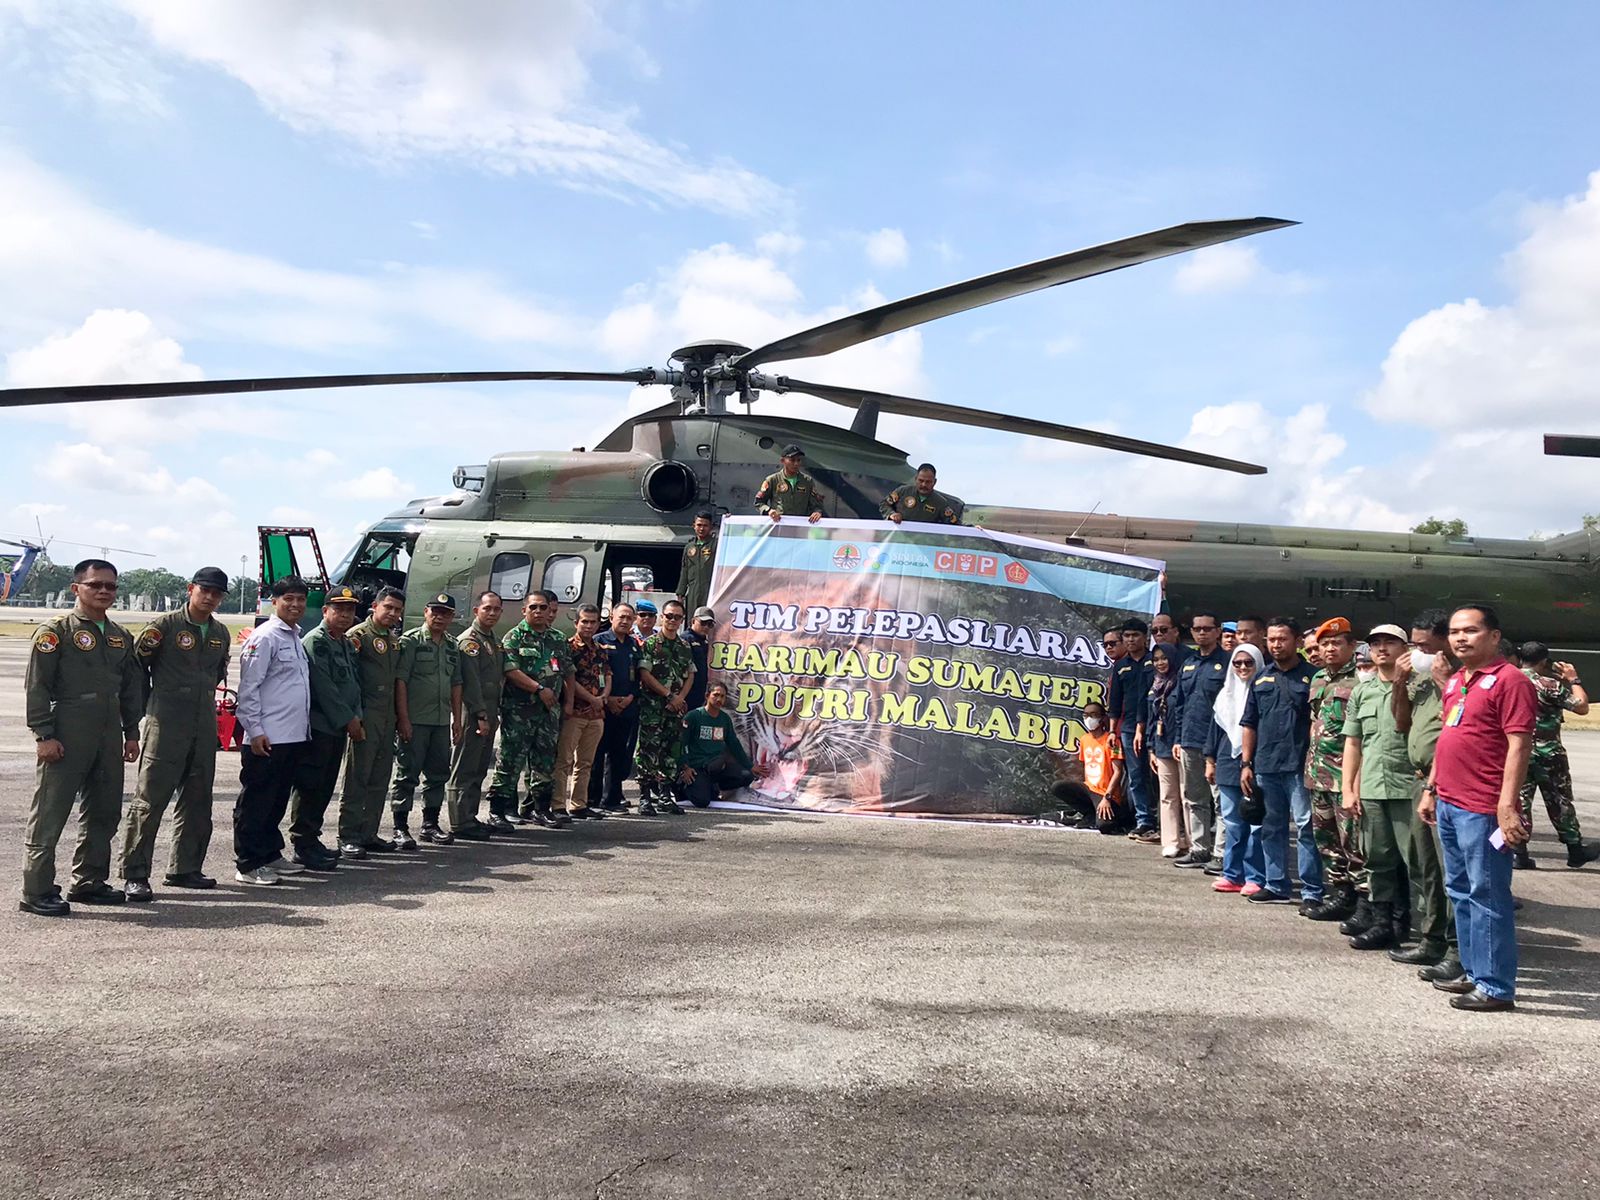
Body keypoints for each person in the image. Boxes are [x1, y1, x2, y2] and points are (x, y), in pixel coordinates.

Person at [1419, 603, 1537, 1012]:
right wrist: (1432, 788)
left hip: (1483, 808)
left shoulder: (1511, 681)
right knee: (1460, 892)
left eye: (1470, 631)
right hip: (1450, 802)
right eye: (1454, 632)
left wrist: (1507, 805)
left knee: (1487, 895)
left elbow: (1519, 745)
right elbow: (1447, 736)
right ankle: (1471, 970)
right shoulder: (1457, 680)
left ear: (1494, 636)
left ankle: (1496, 986)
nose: (1460, 638)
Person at [20, 558, 142, 915]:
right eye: (95, 585)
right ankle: (36, 889)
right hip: (67, 729)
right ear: (77, 588)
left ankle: (89, 880)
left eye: (110, 586)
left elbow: (130, 689)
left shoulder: (120, 635)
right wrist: (43, 734)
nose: (104, 591)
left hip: (107, 732)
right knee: (50, 812)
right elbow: (37, 687)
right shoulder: (56, 630)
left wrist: (131, 732)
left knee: (104, 811)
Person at [118, 565, 231, 900]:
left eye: (216, 593)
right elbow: (137, 669)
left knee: (198, 800)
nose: (210, 597)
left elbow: (217, 673)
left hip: (202, 723)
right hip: (165, 723)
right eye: (204, 590)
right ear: (190, 589)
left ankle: (184, 868)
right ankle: (135, 874)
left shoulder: (220, 632)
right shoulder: (164, 627)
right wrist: (138, 715)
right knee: (150, 800)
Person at [1340, 625, 1421, 950]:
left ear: (1406, 647)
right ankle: (1384, 922)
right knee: (1378, 858)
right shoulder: (1363, 691)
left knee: (1416, 861)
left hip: (1409, 787)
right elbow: (1354, 743)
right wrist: (1348, 788)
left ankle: (1424, 927)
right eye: (1376, 643)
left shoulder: (1421, 687)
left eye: (1390, 642)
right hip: (1373, 786)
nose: (1382, 648)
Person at [1392, 610, 1461, 977]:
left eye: (1423, 644)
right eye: (1413, 643)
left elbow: (1460, 721)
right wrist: (1399, 684)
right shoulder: (1419, 678)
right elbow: (1402, 723)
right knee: (1424, 867)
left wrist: (1446, 680)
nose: (1417, 650)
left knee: (1452, 871)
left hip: (1449, 783)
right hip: (1421, 781)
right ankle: (1431, 939)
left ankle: (1456, 948)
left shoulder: (1458, 677)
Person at [233, 576, 312, 887]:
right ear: (274, 601)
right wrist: (254, 730)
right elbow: (249, 687)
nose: (295, 605)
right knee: (256, 800)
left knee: (277, 798)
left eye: (300, 600)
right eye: (288, 599)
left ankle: (269, 854)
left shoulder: (293, 636)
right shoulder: (264, 637)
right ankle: (248, 862)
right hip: (267, 736)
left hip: (292, 735)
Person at [1239, 617, 1319, 907]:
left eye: (1282, 639)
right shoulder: (1261, 678)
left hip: (1299, 766)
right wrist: (1246, 765)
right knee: (1271, 827)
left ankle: (1312, 891)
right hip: (1266, 766)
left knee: (1306, 827)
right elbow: (1249, 724)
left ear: (1297, 641)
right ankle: (1275, 885)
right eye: (1271, 639)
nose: (1275, 644)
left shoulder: (1314, 677)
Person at [285, 586, 365, 870]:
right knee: (311, 784)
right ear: (325, 611)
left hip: (338, 727)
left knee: (325, 785)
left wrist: (355, 714)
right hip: (320, 725)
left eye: (350, 610)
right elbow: (324, 687)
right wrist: (349, 719)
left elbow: (352, 685)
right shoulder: (316, 641)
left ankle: (312, 837)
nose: (345, 615)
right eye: (339, 609)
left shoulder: (343, 642)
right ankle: (302, 843)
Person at [488, 590, 572, 828]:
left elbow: (568, 672)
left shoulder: (557, 638)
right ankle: (497, 811)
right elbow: (511, 671)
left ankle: (540, 809)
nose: (538, 611)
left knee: (545, 763)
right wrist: (538, 689)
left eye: (543, 607)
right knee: (510, 761)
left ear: (550, 611)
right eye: (533, 607)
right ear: (524, 610)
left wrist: (569, 702)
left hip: (549, 714)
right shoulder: (514, 637)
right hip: (520, 712)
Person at [1514, 641, 1600, 868]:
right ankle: (1575, 850)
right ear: (1544, 661)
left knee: (1520, 801)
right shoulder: (1548, 684)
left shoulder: (1510, 680)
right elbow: (1581, 706)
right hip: (1548, 753)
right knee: (1559, 801)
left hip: (1518, 753)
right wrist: (1573, 679)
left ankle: (1519, 853)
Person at [1303, 618, 1365, 924]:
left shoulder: (1362, 680)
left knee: (1354, 842)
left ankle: (1365, 903)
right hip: (1318, 774)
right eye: (1324, 643)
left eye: (1336, 643)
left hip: (1345, 778)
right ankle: (1341, 895)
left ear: (1352, 647)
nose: (1329, 648)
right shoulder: (1317, 679)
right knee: (1326, 841)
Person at [390, 593, 465, 847]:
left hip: (441, 721)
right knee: (406, 774)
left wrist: (457, 719)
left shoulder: (453, 645)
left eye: (445, 613)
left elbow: (456, 684)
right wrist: (403, 719)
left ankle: (430, 825)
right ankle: (400, 827)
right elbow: (401, 681)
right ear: (425, 612)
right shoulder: (410, 641)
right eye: (435, 611)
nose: (439, 616)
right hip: (416, 720)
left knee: (437, 775)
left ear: (452, 617)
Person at [338, 585, 406, 857]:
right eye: (387, 607)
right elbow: (349, 681)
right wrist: (354, 717)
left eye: (397, 610)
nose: (392, 613)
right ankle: (348, 835)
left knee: (380, 778)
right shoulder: (358, 637)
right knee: (357, 778)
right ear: (375, 606)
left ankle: (369, 833)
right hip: (365, 716)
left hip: (387, 718)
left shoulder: (392, 641)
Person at [1206, 642, 1267, 895]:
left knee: (1255, 823)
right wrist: (1210, 761)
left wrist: (1250, 762)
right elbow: (1215, 730)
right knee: (1232, 822)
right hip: (1228, 763)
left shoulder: (1265, 689)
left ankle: (1256, 877)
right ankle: (1232, 874)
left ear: (1258, 664)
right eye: (1238, 663)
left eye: (1249, 663)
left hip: (1257, 763)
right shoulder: (1225, 694)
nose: (1243, 667)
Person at [447, 591, 505, 840]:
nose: (491, 613)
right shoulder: (469, 641)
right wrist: (481, 714)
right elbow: (471, 683)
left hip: (489, 712)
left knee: (480, 767)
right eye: (487, 608)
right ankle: (459, 821)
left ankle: (470, 816)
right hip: (473, 713)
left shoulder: (492, 640)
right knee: (464, 767)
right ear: (476, 611)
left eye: (496, 609)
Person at [1172, 611, 1227, 868]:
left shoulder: (1228, 664)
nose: (1202, 633)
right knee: (1193, 797)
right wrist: (1178, 738)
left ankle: (1221, 853)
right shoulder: (1189, 663)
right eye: (1197, 629)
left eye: (1207, 628)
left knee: (1220, 800)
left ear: (1217, 631)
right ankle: (1199, 849)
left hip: (1217, 742)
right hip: (1189, 740)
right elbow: (1180, 704)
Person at [635, 599, 696, 815]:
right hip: (653, 707)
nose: (672, 620)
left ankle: (665, 796)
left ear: (682, 621)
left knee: (671, 751)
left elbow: (690, 675)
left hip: (675, 709)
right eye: (668, 616)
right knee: (648, 751)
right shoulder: (651, 644)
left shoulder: (684, 646)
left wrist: (680, 698)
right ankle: (644, 798)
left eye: (677, 617)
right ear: (662, 617)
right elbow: (645, 674)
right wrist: (669, 695)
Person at [553, 605, 610, 820]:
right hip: (575, 712)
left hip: (596, 715)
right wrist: (592, 699)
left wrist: (604, 697)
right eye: (584, 621)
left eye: (593, 622)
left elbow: (607, 675)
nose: (588, 625)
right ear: (576, 623)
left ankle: (579, 804)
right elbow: (569, 680)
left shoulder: (600, 649)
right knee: (564, 760)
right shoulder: (567, 648)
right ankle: (558, 805)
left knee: (585, 762)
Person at [589, 602, 640, 813]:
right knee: (596, 755)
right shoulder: (599, 641)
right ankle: (592, 800)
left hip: (626, 706)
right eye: (621, 617)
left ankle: (611, 799)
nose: (625, 621)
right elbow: (592, 675)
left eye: (629, 618)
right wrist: (607, 699)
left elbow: (640, 676)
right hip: (603, 707)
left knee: (619, 755)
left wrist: (630, 697)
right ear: (611, 617)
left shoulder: (634, 644)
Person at [1107, 618, 1154, 841]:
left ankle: (1165, 821)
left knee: (1158, 775)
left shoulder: (1155, 660)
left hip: (1155, 726)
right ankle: (1144, 820)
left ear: (1145, 637)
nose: (1131, 640)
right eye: (1127, 636)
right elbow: (1114, 702)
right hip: (1127, 729)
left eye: (1135, 635)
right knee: (1136, 776)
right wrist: (1111, 732)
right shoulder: (1120, 665)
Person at [1140, 642, 1189, 857]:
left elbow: (1184, 715)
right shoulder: (1155, 684)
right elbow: (1152, 718)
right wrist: (1150, 747)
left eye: (1164, 658)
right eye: (1156, 659)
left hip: (1181, 743)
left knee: (1187, 794)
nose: (1160, 663)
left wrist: (1179, 740)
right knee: (1167, 795)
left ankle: (1191, 839)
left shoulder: (1182, 682)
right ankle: (1171, 840)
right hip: (1160, 744)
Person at [678, 682, 762, 807]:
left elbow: (734, 744)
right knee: (702, 802)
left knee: (747, 776)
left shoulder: (724, 719)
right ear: (707, 696)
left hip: (716, 767)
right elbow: (681, 744)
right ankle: (681, 786)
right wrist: (685, 767)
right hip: (696, 768)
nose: (719, 699)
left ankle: (711, 786)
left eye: (722, 696)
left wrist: (750, 766)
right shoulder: (694, 716)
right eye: (716, 695)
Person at [1052, 701, 1129, 833]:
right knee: (1058, 787)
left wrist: (1107, 797)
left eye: (1093, 715)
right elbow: (1084, 766)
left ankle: (1109, 815)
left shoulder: (1112, 741)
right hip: (1089, 789)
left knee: (1105, 826)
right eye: (1086, 715)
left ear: (1103, 718)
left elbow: (1118, 771)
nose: (1089, 719)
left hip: (1106, 794)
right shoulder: (1084, 739)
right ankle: (1090, 813)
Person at [754, 444, 826, 522]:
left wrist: (817, 512)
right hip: (779, 524)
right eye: (792, 460)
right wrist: (769, 511)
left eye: (798, 460)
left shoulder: (807, 481)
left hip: (800, 526)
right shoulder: (772, 480)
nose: (796, 463)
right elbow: (759, 502)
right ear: (782, 461)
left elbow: (816, 504)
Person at [880, 463, 961, 524]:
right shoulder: (903, 491)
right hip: (898, 540)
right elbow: (884, 504)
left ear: (935, 482)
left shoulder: (940, 502)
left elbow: (954, 521)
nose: (924, 485)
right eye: (921, 480)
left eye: (928, 482)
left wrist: (972, 528)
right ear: (916, 479)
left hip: (922, 543)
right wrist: (892, 514)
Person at [678, 511, 719, 614]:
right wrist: (680, 593)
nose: (702, 528)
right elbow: (684, 571)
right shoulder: (689, 547)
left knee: (708, 619)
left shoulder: (716, 544)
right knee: (693, 619)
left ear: (711, 527)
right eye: (699, 525)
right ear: (694, 526)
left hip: (710, 590)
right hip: (693, 591)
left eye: (705, 525)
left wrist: (728, 522)